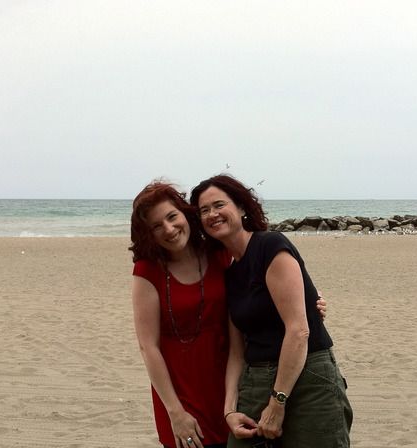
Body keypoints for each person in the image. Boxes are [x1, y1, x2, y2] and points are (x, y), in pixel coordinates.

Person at [129, 181, 327, 448]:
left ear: (186, 215)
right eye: (156, 226)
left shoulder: (219, 255)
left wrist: (311, 302)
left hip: (231, 384)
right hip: (179, 391)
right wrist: (175, 412)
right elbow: (148, 346)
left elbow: (260, 293)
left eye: (172, 216)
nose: (169, 229)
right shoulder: (148, 270)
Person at [190, 175, 353, 448]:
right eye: (204, 210)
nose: (212, 214)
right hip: (256, 378)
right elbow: (236, 351)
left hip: (308, 375)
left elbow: (298, 330)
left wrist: (278, 403)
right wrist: (229, 410)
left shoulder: (270, 246)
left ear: (241, 207)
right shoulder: (229, 273)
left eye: (219, 205)